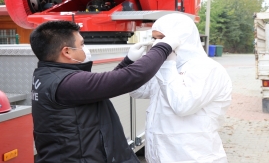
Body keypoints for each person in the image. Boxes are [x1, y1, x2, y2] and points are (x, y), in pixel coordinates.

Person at [30, 20, 180, 162]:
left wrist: (128, 60)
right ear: (67, 52)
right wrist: (163, 47)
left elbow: (104, 87)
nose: (85, 48)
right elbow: (131, 77)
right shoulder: (66, 82)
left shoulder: (48, 75)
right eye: (82, 44)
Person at [130, 13, 232, 163]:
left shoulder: (208, 69)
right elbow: (136, 91)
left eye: (161, 38)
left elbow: (182, 105)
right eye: (154, 38)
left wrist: (166, 63)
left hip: (195, 158)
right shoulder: (168, 67)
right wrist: (133, 63)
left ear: (180, 38)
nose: (155, 43)